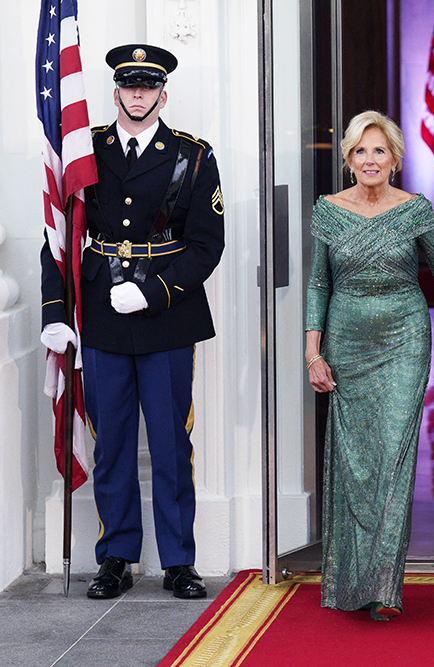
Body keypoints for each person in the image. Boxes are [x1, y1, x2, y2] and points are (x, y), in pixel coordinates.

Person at [39, 44, 225, 599]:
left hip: (166, 315)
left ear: (163, 94)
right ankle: (116, 556)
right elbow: (58, 239)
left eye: (148, 86)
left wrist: (154, 293)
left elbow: (206, 245)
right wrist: (56, 312)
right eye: (129, 85)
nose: (138, 94)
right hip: (100, 315)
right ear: (116, 91)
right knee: (112, 442)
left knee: (170, 442)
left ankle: (178, 561)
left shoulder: (193, 155)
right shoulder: (85, 151)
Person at [305, 110, 434, 621]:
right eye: (360, 151)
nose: (370, 160)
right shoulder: (326, 211)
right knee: (353, 462)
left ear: (395, 158)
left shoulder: (415, 210)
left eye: (380, 151)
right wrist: (313, 352)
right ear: (348, 160)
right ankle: (351, 582)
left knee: (392, 458)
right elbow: (319, 286)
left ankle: (385, 588)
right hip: (347, 342)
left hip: (404, 340)